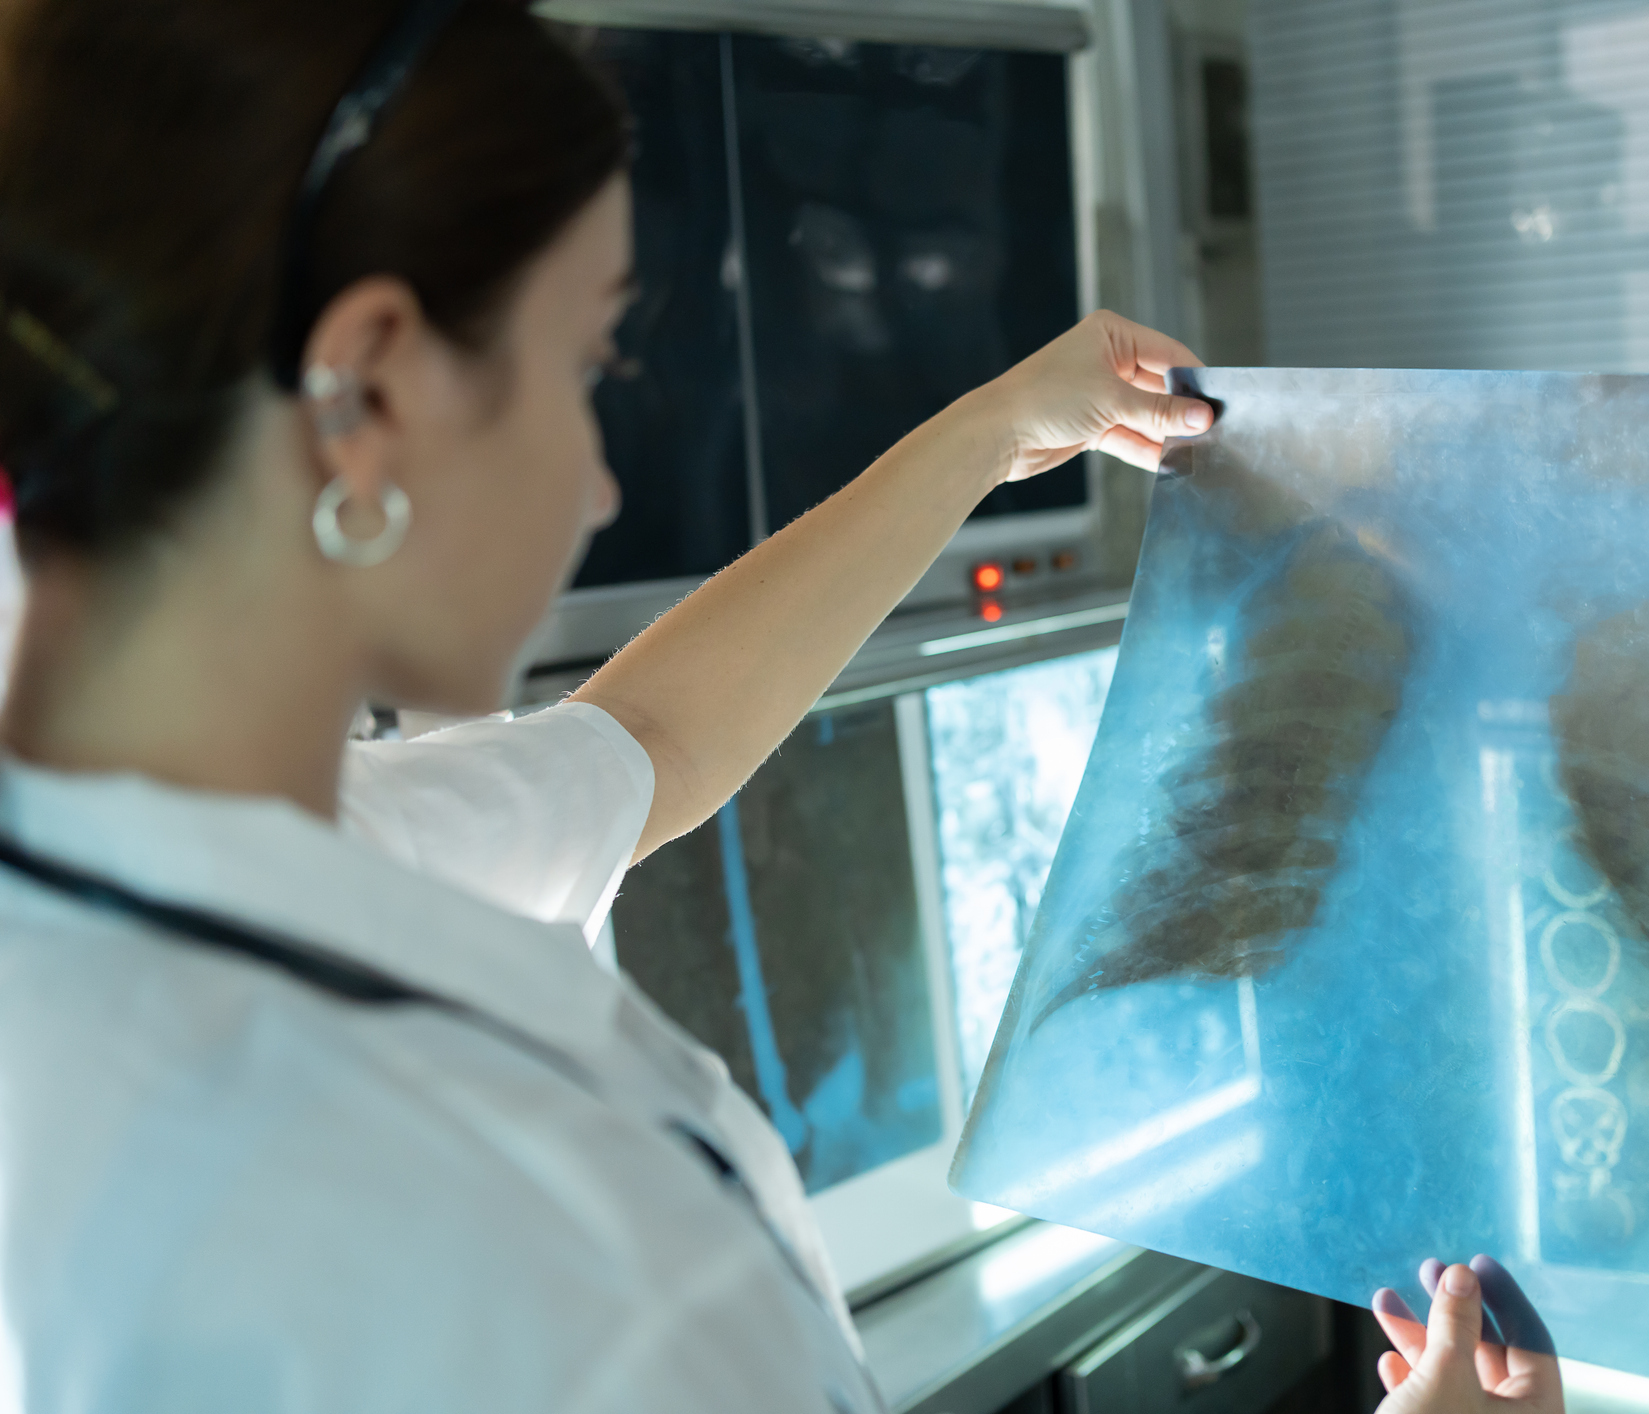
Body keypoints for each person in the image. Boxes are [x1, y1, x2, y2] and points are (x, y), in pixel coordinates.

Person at [0, 1, 1562, 1409]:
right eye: (589, 362)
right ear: (369, 389)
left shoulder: (217, 873)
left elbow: (645, 748)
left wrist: (987, 432)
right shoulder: (514, 1220)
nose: (605, 475)